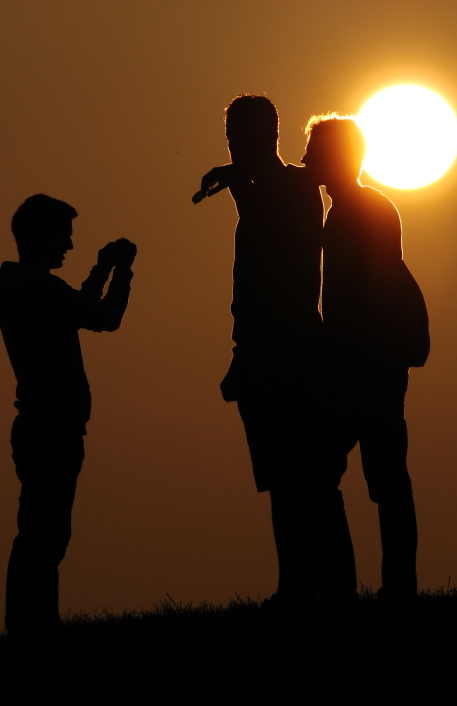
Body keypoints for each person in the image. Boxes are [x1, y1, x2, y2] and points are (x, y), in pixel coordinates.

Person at [194, 95, 357, 606]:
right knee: (283, 483)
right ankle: (298, 585)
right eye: (230, 138)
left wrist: (238, 183)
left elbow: (279, 243)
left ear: (269, 136)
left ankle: (331, 588)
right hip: (261, 354)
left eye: (243, 137)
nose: (235, 147)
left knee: (309, 478)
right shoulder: (266, 189)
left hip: (294, 353)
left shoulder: (296, 189)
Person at [0, 194, 137, 639]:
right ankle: (32, 625)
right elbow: (103, 317)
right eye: (63, 236)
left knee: (41, 532)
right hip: (50, 427)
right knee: (44, 536)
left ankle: (33, 623)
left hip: (42, 424)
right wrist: (124, 270)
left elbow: (74, 309)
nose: (68, 246)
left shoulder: (22, 287)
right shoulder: (36, 288)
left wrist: (102, 269)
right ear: (42, 236)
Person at [301, 115, 430, 602]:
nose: (308, 158)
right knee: (380, 478)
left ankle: (368, 586)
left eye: (315, 150)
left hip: (364, 365)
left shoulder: (359, 211)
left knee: (358, 477)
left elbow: (369, 289)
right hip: (368, 362)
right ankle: (390, 586)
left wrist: (343, 354)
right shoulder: (359, 207)